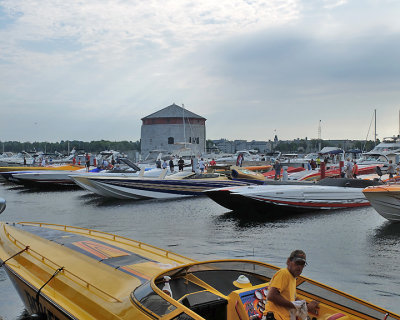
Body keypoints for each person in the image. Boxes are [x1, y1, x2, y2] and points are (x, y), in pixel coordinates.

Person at [264, 250, 319, 320]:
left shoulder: (293, 278)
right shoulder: (284, 273)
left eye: (302, 264)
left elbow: (293, 299)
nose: (299, 267)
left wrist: (307, 306)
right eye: (297, 263)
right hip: (275, 317)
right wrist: (295, 306)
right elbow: (271, 296)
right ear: (288, 262)